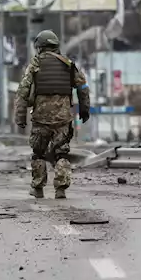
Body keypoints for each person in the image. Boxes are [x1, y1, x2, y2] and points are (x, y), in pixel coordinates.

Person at [15, 30, 90, 199]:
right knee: (61, 153)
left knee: (38, 153)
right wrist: (85, 109)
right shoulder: (68, 64)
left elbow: (23, 92)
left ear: (39, 47)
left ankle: (38, 188)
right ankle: (61, 189)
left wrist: (20, 116)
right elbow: (82, 87)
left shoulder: (35, 65)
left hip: (41, 118)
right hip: (63, 118)